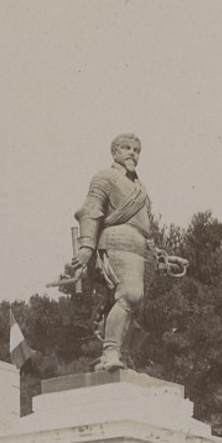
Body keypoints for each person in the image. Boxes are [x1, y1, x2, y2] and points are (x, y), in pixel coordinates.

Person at [70, 133, 154, 371]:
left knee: (133, 306)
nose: (132, 154)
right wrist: (87, 246)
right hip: (117, 239)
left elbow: (146, 225)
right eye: (126, 148)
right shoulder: (104, 177)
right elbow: (90, 211)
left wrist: (162, 256)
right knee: (130, 294)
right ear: (114, 152)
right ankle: (110, 352)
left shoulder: (141, 189)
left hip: (141, 246)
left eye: (136, 150)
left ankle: (123, 354)